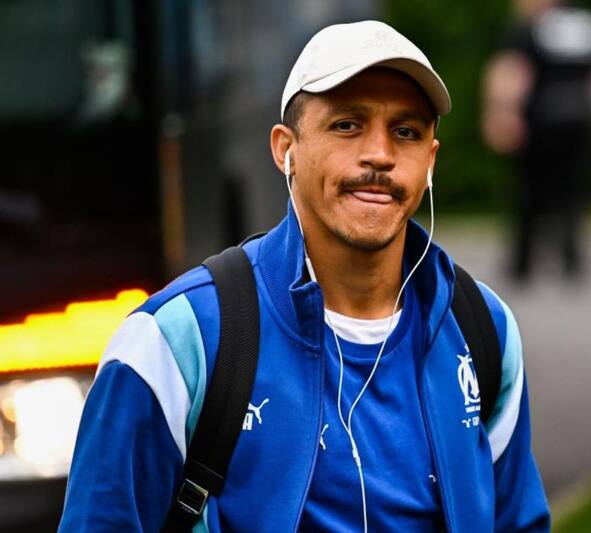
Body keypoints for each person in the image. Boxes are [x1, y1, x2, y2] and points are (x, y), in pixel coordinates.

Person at [60, 20, 550, 532]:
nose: (379, 154)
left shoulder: (482, 329)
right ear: (284, 149)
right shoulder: (175, 341)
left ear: (429, 160)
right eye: (347, 125)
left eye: (405, 131)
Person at [482, 0, 591, 283]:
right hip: (580, 121)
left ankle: (522, 264)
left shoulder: (530, 27)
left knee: (529, 193)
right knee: (573, 192)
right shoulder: (588, 24)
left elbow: (511, 72)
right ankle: (572, 262)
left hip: (540, 120)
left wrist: (501, 113)